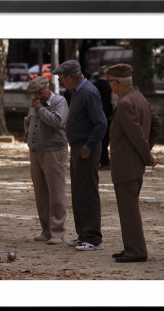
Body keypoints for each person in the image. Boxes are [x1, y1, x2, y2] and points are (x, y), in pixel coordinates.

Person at [105, 64, 162, 263]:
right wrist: (146, 152)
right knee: (128, 208)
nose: (110, 87)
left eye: (110, 83)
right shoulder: (139, 98)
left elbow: (136, 135)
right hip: (133, 164)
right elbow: (156, 124)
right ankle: (131, 247)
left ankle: (136, 251)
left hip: (126, 165)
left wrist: (147, 156)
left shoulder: (126, 102)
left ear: (116, 83)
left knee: (128, 210)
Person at [52, 60, 108, 251]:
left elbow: (101, 123)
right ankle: (83, 234)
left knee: (87, 193)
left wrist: (88, 146)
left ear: (70, 77)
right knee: (78, 192)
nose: (60, 81)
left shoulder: (89, 93)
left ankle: (93, 237)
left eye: (61, 78)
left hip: (86, 149)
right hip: (78, 147)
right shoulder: (77, 92)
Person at [24, 76, 69, 245]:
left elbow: (56, 121)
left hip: (54, 151)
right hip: (36, 151)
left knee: (56, 192)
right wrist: (27, 137)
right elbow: (29, 121)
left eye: (40, 92)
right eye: (35, 94)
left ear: (48, 87)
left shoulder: (59, 101)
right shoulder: (36, 102)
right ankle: (46, 229)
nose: (38, 96)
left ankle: (57, 232)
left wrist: (41, 109)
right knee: (41, 193)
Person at [93, 65, 114, 170]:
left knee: (97, 140)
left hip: (95, 116)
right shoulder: (110, 86)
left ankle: (96, 161)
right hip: (107, 115)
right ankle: (105, 162)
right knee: (105, 141)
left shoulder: (94, 86)